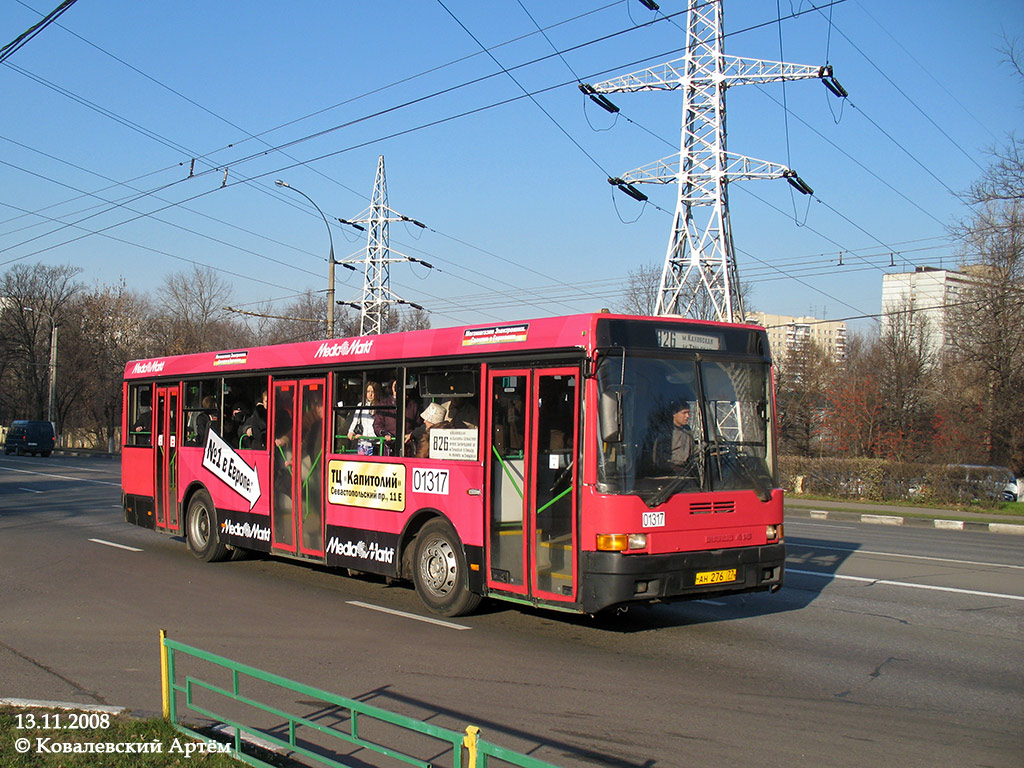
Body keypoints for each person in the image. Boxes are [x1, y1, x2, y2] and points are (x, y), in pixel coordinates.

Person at [652, 400, 695, 472]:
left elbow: (693, 452)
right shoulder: (664, 431)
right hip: (667, 474)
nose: (688, 416)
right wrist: (674, 468)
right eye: (684, 413)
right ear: (674, 413)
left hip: (685, 472)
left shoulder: (687, 430)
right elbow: (659, 458)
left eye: (688, 413)